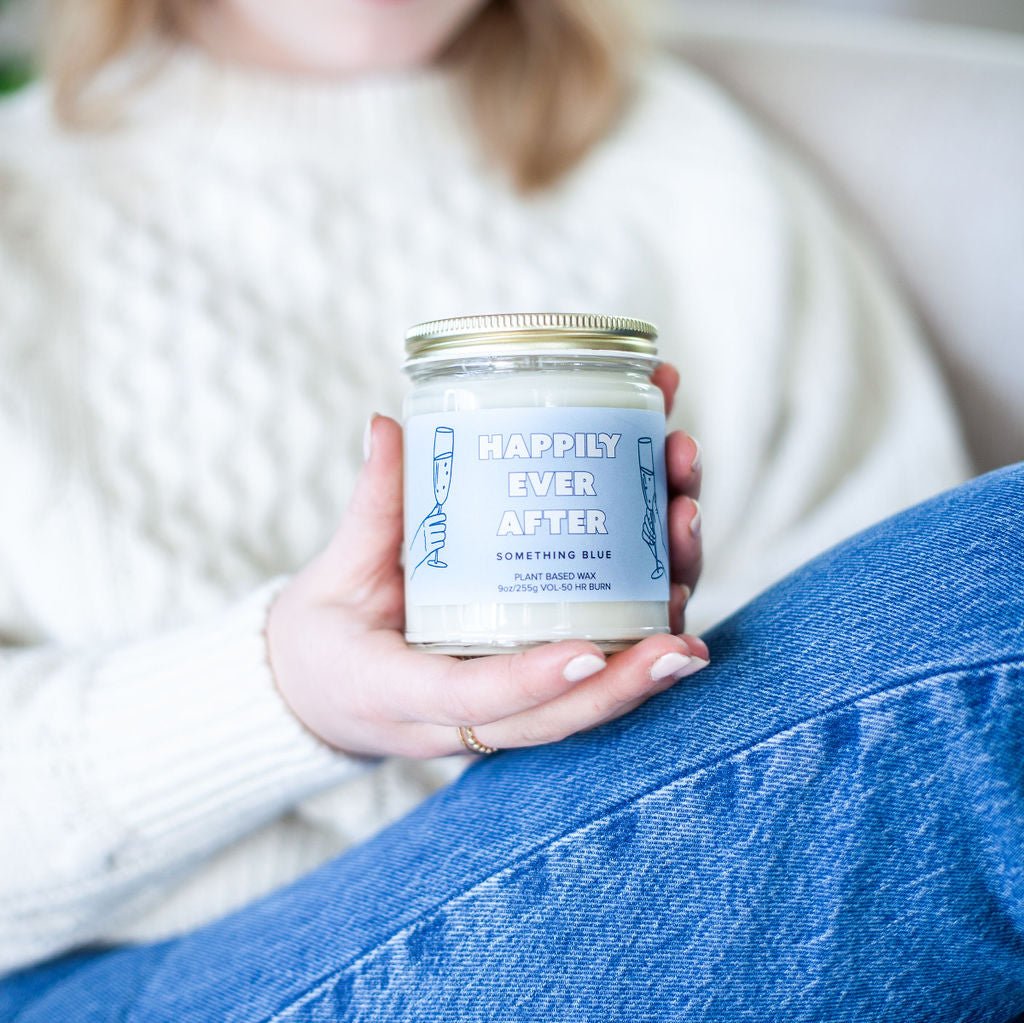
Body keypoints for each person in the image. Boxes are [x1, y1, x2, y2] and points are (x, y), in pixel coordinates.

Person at [2, 0, 1019, 1018]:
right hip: (155, 965)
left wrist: (647, 695)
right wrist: (282, 694)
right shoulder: (22, 211)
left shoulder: (687, 162)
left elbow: (889, 612)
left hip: (656, 848)